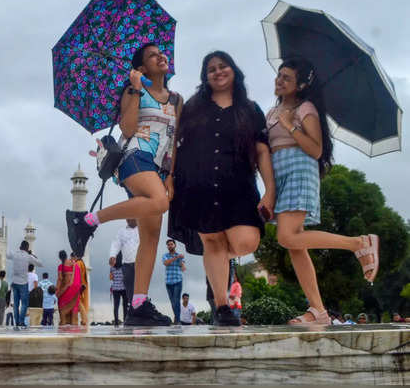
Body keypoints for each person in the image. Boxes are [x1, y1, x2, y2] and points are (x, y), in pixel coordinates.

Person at [67, 43, 182, 326]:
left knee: (152, 234)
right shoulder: (132, 92)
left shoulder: (177, 99)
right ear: (142, 68)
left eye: (161, 53)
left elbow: (176, 139)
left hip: (158, 166)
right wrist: (134, 89)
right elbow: (128, 129)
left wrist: (172, 175)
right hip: (134, 157)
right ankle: (89, 220)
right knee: (160, 202)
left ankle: (139, 304)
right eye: (153, 56)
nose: (161, 56)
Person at [266, 57, 380, 325]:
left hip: (299, 169)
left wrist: (291, 125)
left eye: (287, 78)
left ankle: (358, 243)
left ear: (301, 85)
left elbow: (316, 149)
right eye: (279, 75)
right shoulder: (272, 111)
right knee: (296, 245)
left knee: (287, 237)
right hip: (279, 174)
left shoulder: (305, 108)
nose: (279, 80)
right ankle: (318, 311)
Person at [169, 51, 275, 327]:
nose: (217, 72)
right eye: (211, 69)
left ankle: (217, 272)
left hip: (238, 185)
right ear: (205, 77)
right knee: (213, 243)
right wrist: (170, 179)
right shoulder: (193, 106)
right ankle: (222, 306)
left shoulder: (250, 110)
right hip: (198, 184)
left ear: (233, 70)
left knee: (246, 241)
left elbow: (263, 151)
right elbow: (176, 144)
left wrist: (269, 190)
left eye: (222, 66)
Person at [7, 241, 43, 328]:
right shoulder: (28, 256)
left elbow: (7, 254)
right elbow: (40, 263)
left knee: (16, 303)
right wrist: (31, 254)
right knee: (24, 303)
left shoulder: (15, 254)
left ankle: (17, 322)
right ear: (27, 248)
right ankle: (21, 322)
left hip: (14, 282)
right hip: (23, 283)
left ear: (20, 247)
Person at [109, 219, 139, 306]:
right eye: (127, 217)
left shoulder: (142, 229)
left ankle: (140, 308)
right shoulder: (121, 231)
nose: (129, 219)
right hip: (126, 265)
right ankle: (133, 309)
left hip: (139, 264)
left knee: (139, 287)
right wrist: (112, 255)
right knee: (129, 287)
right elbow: (116, 244)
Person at [163, 239, 186, 323]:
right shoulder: (165, 255)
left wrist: (180, 260)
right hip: (168, 282)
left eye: (171, 244)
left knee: (176, 300)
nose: (170, 246)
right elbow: (166, 263)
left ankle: (177, 319)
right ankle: (177, 318)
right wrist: (176, 257)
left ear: (175, 245)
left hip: (178, 281)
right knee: (172, 302)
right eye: (168, 245)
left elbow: (183, 268)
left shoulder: (179, 256)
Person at [56, 250, 81, 326]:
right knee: (74, 309)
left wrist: (57, 290)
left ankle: (63, 328)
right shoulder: (74, 265)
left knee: (62, 309)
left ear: (60, 258)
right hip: (75, 289)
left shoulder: (61, 266)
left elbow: (60, 279)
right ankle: (74, 332)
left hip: (66, 289)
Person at [110, 252, 127, 326]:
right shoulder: (124, 267)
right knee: (125, 305)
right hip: (124, 288)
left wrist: (115, 278)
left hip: (115, 289)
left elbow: (111, 278)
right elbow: (125, 278)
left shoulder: (112, 268)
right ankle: (125, 321)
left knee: (116, 306)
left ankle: (116, 322)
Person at [74, 253, 90, 326]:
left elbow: (77, 275)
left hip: (78, 286)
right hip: (82, 285)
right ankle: (83, 320)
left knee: (79, 304)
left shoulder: (78, 263)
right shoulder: (81, 263)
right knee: (80, 303)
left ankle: (84, 320)